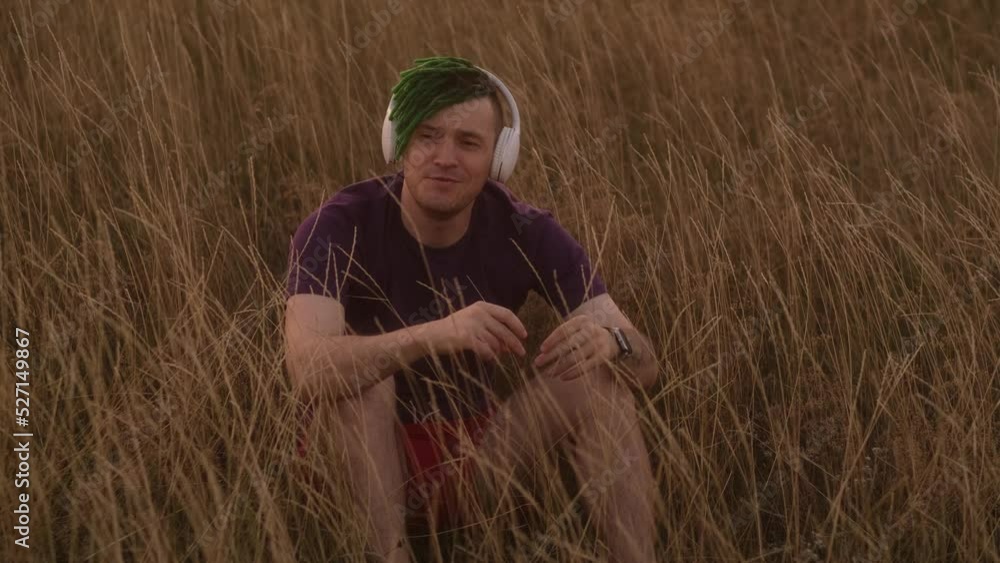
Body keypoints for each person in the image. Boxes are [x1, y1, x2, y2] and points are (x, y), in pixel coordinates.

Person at [283, 56, 658, 563]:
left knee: (604, 384)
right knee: (363, 385)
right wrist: (436, 334)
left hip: (474, 458)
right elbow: (308, 369)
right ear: (399, 143)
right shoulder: (339, 225)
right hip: (353, 466)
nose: (445, 157)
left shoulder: (528, 231)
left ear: (499, 159)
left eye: (468, 142)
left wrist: (612, 343)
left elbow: (646, 364)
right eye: (428, 136)